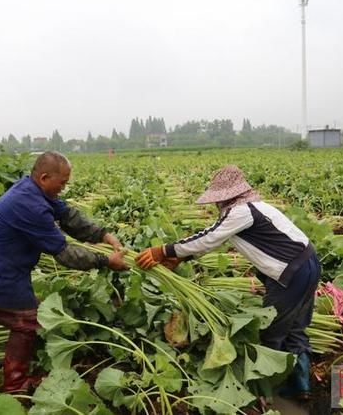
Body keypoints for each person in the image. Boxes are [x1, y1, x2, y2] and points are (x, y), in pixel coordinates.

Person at [0, 151, 128, 407]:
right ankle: (15, 387)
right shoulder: (30, 206)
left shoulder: (32, 189)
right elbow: (64, 253)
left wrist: (104, 235)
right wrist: (107, 261)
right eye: (62, 182)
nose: (64, 188)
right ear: (44, 177)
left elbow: (68, 217)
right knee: (28, 322)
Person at [135, 165, 320, 401]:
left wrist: (163, 250)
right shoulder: (258, 207)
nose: (216, 205)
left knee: (272, 331)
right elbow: (217, 240)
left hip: (291, 274)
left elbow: (209, 237)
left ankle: (266, 389)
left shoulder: (240, 212)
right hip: (308, 265)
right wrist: (181, 256)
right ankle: (301, 386)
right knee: (295, 327)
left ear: (226, 197)